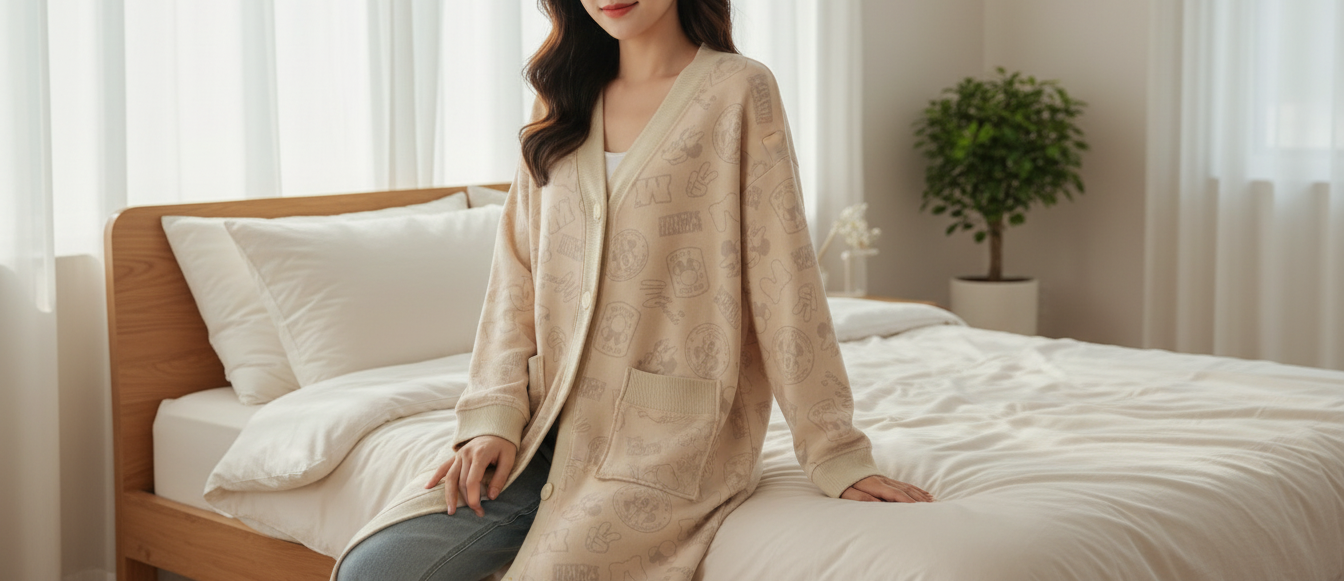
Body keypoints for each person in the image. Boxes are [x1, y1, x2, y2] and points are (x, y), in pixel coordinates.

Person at [336, 1, 933, 579]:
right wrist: (491, 418)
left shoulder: (737, 89)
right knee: (373, 567)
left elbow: (784, 276)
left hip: (661, 440)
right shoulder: (562, 97)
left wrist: (834, 452)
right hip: (538, 423)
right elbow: (516, 272)